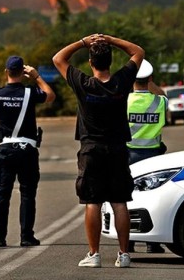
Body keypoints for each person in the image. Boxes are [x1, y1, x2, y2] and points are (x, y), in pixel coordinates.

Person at [52, 33, 144, 268]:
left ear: (91, 63)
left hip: (91, 149)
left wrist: (83, 42)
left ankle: (94, 254)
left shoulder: (83, 84)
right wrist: (111, 40)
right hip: (117, 148)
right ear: (110, 61)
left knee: (92, 201)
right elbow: (138, 52)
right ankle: (124, 254)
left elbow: (58, 58)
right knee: (120, 202)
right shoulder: (121, 81)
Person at [0, 56, 55, 248]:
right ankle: (26, 236)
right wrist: (37, 77)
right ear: (23, 72)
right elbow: (50, 95)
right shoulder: (30, 92)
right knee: (27, 194)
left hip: (6, 148)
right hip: (27, 148)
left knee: (3, 194)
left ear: (6, 72)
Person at [125, 59, 168, 254]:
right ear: (149, 78)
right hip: (153, 155)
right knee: (152, 196)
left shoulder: (124, 100)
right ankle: (152, 243)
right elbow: (163, 94)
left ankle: (129, 241)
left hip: (128, 155)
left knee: (126, 197)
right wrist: (150, 82)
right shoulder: (159, 101)